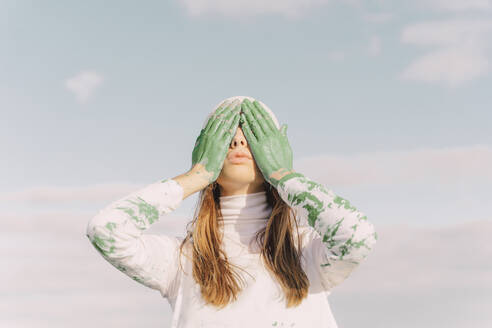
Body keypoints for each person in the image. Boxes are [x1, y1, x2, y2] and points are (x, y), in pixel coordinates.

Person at [86, 96, 378, 327]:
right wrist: (196, 176)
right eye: (226, 137)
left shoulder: (306, 252)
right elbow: (106, 230)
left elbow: (358, 237)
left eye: (253, 136)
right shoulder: (181, 261)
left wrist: (285, 176)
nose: (239, 142)